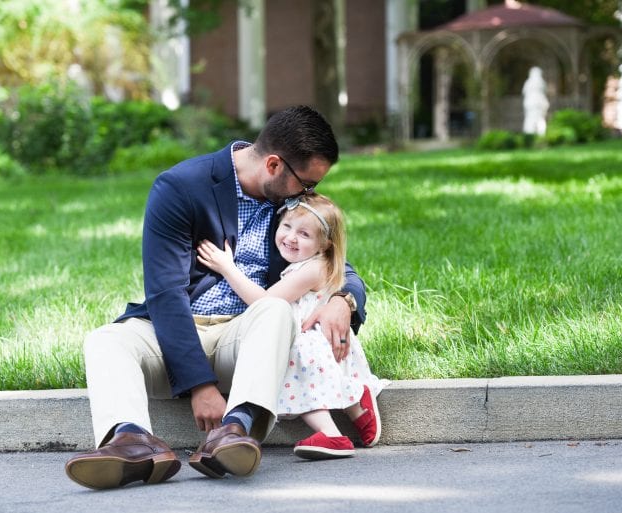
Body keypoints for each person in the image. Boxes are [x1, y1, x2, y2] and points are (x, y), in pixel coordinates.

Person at [64, 105, 368, 489]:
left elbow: (336, 260)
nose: (309, 194)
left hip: (246, 338)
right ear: (274, 165)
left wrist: (344, 300)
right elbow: (166, 293)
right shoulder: (180, 187)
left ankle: (235, 432)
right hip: (177, 332)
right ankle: (131, 441)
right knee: (105, 340)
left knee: (274, 309)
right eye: (306, 184)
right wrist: (199, 384)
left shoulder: (288, 206)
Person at [196, 193, 384, 460]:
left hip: (310, 339)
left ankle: (332, 434)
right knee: (292, 361)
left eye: (304, 234)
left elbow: (264, 302)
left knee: (289, 364)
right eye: (286, 226)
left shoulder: (312, 268)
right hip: (310, 338)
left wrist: (228, 269)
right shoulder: (306, 263)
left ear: (324, 245)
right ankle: (357, 404)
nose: (291, 238)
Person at [522, 66, 549, 136]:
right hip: (536, 104)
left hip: (534, 104)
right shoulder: (541, 82)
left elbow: (524, 92)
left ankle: (532, 135)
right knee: (537, 120)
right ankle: (536, 135)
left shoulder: (528, 82)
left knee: (535, 120)